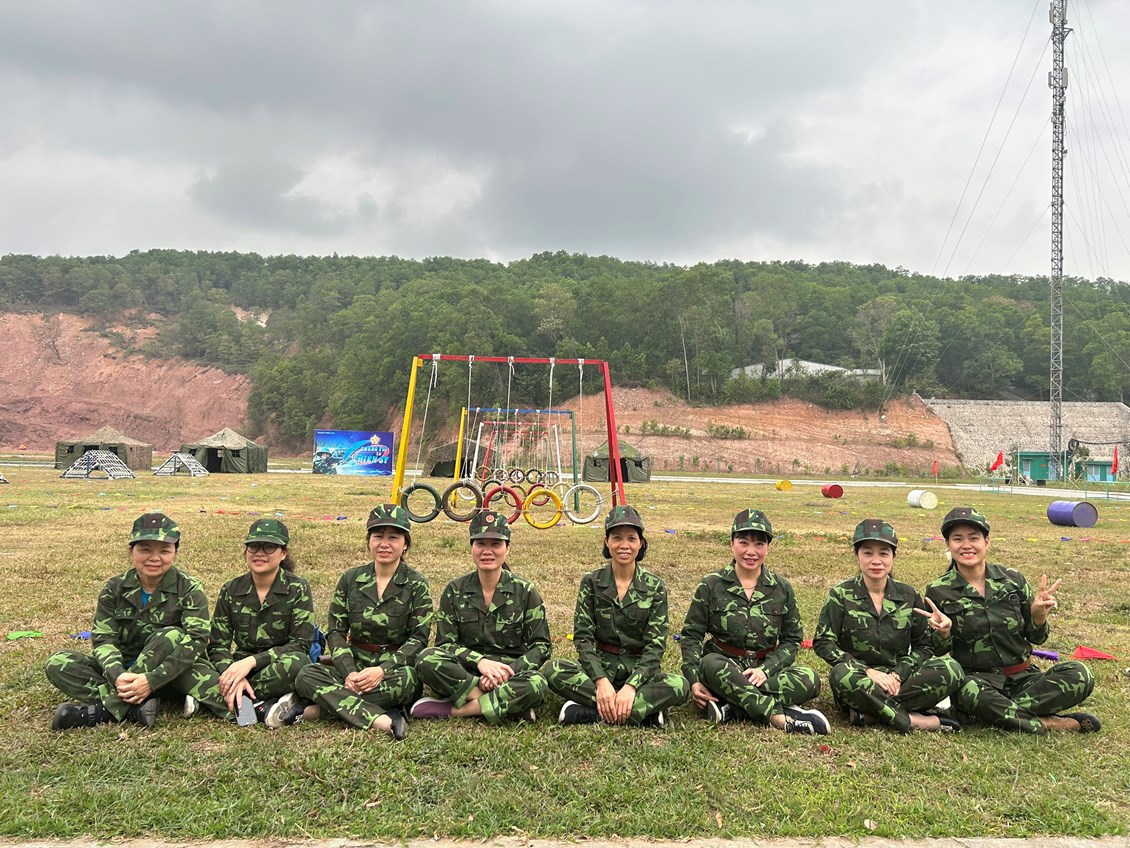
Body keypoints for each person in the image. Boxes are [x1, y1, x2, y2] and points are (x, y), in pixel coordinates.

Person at [924, 506, 1100, 734]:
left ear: (987, 542)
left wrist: (1038, 616)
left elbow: (1037, 637)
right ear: (948, 544)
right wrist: (943, 633)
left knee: (1080, 674)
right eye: (957, 539)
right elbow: (936, 650)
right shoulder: (938, 590)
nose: (966, 545)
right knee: (968, 691)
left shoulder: (1012, 580)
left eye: (974, 538)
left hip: (1024, 680)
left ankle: (995, 714)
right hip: (978, 683)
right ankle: (1047, 723)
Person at [45, 513, 211, 730]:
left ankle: (105, 710)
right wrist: (117, 675)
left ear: (175, 553)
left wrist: (150, 680)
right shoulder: (114, 588)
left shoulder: (189, 588)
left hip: (169, 674)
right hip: (124, 668)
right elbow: (104, 640)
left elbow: (197, 639)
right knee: (58, 663)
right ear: (131, 551)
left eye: (164, 550)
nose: (155, 557)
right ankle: (136, 705)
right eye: (145, 549)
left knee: (172, 635)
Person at [679, 508, 829, 734]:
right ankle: (777, 717)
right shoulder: (711, 584)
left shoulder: (781, 588)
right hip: (724, 667)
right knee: (709, 665)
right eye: (743, 543)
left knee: (810, 679)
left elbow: (791, 640)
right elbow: (691, 635)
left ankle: (733, 707)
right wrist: (693, 680)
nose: (751, 551)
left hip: (763, 671)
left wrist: (766, 670)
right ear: (732, 543)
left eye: (759, 544)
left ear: (768, 547)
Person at [291, 504, 432, 739]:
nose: (384, 544)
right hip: (354, 664)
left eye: (393, 537)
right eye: (378, 536)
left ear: (405, 544)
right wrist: (349, 673)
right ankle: (382, 718)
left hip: (393, 670)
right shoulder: (351, 579)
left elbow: (418, 639)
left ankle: (316, 710)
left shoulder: (416, 583)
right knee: (306, 674)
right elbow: (336, 632)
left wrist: (381, 670)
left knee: (408, 682)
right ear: (369, 541)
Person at [813, 519, 964, 732]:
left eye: (883, 553)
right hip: (861, 681)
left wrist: (897, 674)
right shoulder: (840, 595)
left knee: (951, 668)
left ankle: (870, 714)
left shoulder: (909, 595)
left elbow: (924, 646)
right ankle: (912, 720)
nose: (876, 561)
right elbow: (824, 642)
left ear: (893, 556)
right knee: (840, 674)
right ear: (857, 555)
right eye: (867, 553)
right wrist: (867, 671)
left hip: (900, 681)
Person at [545, 505, 688, 727]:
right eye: (617, 537)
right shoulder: (592, 582)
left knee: (680, 685)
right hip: (601, 667)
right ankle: (644, 714)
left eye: (631, 538)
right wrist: (600, 681)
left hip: (639, 671)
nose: (624, 545)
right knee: (553, 670)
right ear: (607, 541)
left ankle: (589, 713)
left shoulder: (655, 586)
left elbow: (655, 646)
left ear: (640, 543)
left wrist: (632, 686)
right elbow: (583, 638)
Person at [412, 510, 550, 723]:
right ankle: (506, 705)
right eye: (480, 543)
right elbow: (445, 644)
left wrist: (506, 673)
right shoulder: (454, 590)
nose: (487, 551)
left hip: (509, 673)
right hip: (467, 672)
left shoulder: (525, 591)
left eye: (496, 544)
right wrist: (480, 662)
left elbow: (541, 646)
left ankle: (456, 710)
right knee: (426, 659)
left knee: (537, 683)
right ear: (472, 547)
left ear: (507, 548)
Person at [182, 519, 316, 726]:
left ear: (283, 553)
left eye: (269, 547)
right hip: (237, 665)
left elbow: (300, 644)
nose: (259, 553)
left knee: (299, 665)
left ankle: (213, 696)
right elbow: (218, 645)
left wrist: (252, 662)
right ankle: (258, 706)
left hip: (275, 666)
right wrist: (231, 671)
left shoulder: (297, 588)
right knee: (191, 664)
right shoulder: (231, 589)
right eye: (253, 546)